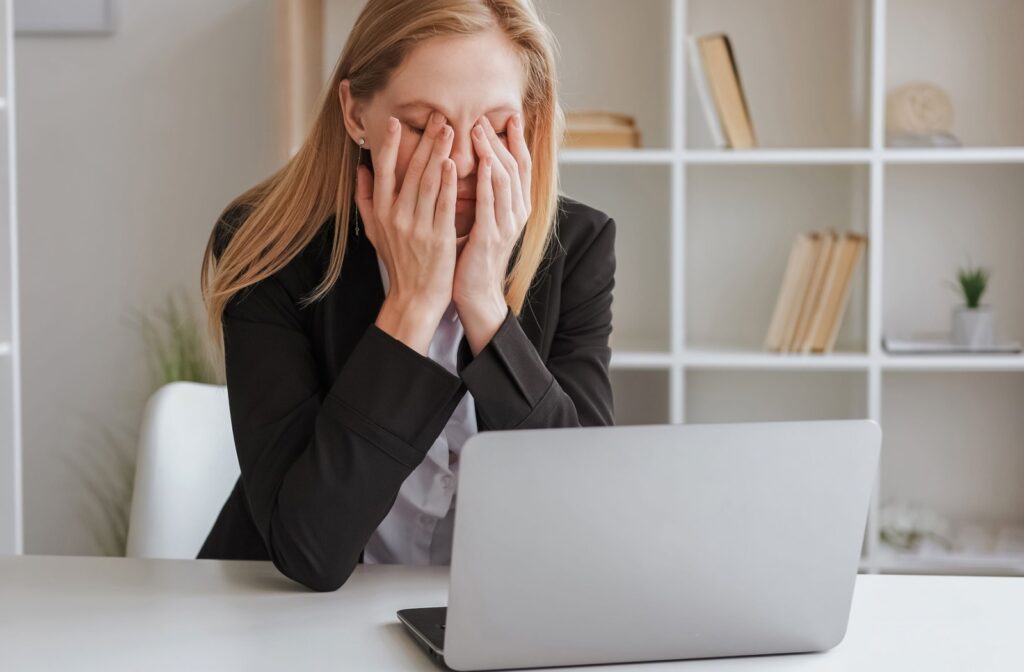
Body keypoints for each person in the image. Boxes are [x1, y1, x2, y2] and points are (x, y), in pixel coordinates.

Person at [197, 0, 616, 592]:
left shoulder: (577, 246)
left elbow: (584, 518)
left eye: (495, 129)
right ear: (355, 113)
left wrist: (484, 306)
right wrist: (413, 305)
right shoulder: (269, 250)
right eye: (424, 127)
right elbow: (310, 552)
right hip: (285, 620)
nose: (464, 163)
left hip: (500, 612)